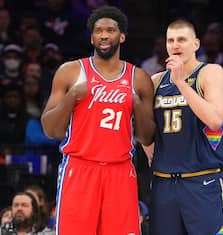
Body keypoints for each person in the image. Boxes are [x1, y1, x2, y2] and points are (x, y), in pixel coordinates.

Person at [40, 6, 155, 235]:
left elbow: (147, 136)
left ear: (121, 36)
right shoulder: (70, 72)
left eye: (110, 30)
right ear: (92, 37)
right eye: (98, 30)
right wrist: (72, 97)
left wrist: (137, 104)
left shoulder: (139, 78)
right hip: (80, 168)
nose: (104, 35)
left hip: (120, 171)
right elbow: (50, 129)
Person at [149, 19, 223, 235]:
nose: (175, 46)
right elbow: (143, 127)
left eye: (181, 40)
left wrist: (181, 83)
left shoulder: (210, 72)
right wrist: (150, 152)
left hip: (202, 179)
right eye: (170, 40)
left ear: (196, 44)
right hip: (164, 183)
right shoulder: (155, 81)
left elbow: (214, 120)